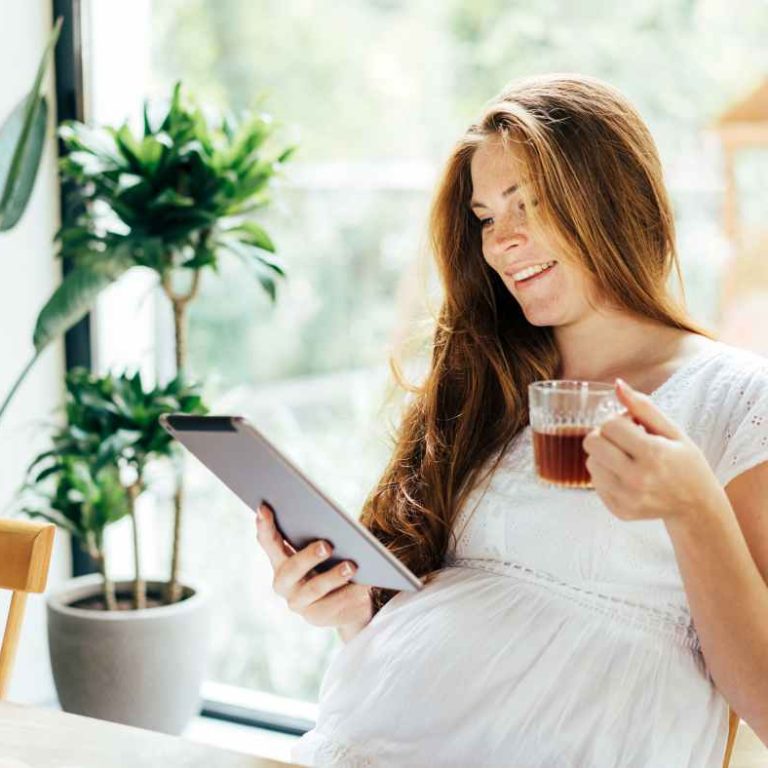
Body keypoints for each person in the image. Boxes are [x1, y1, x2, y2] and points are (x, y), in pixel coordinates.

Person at [255, 73, 768, 767]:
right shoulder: (486, 382)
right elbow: (459, 629)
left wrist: (694, 507)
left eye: (526, 203)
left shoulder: (735, 398)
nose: (502, 242)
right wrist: (352, 615)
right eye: (487, 217)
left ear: (613, 199)